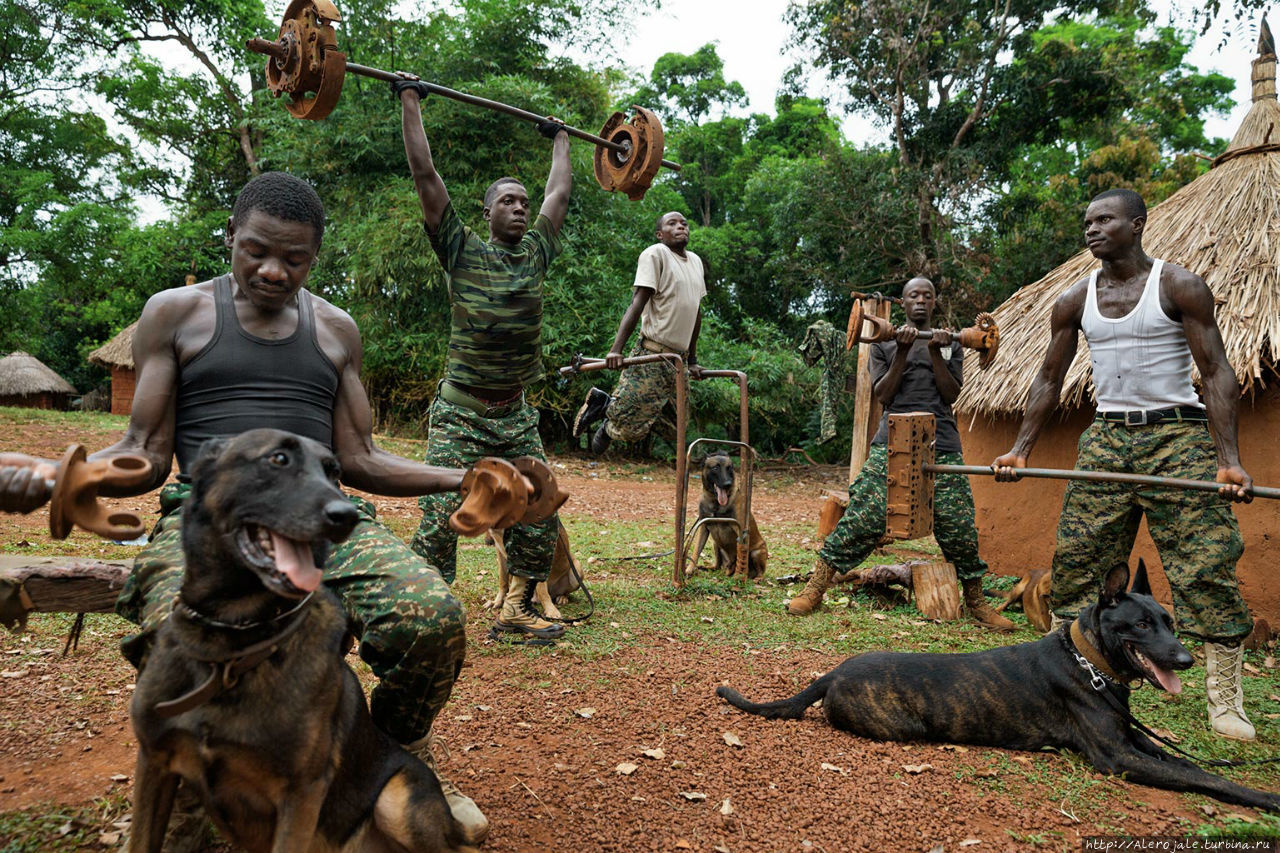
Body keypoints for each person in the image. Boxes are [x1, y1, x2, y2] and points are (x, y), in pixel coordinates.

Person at [0, 171, 490, 842]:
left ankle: (393, 748)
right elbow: (144, 450)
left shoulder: (336, 331)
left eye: (294, 259)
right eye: (256, 249)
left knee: (430, 617)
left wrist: (462, 475)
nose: (272, 269)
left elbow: (362, 459)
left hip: (323, 516)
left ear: (314, 257)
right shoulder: (177, 313)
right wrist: (65, 474)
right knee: (166, 624)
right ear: (229, 235)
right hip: (210, 517)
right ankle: (195, 767)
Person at [992, 188, 1256, 740]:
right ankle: (1070, 681)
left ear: (1136, 225)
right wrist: (1020, 449)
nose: (1091, 229)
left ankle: (1224, 700)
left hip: (1178, 437)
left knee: (1204, 565)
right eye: (1086, 221)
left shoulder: (1179, 285)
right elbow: (1047, 379)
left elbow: (1216, 374)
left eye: (1104, 220)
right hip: (1107, 440)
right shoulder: (1073, 299)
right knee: (1081, 561)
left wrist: (1228, 461)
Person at [393, 76, 572, 644]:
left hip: (515, 412)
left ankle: (516, 607)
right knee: (441, 515)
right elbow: (426, 174)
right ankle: (429, 612)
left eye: (523, 201)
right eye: (508, 201)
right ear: (487, 210)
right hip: (461, 413)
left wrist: (561, 139)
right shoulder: (461, 249)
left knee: (540, 505)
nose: (520, 208)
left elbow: (560, 196)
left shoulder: (537, 254)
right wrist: (410, 100)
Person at [787, 277, 1014, 632]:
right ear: (904, 303)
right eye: (913, 296)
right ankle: (816, 588)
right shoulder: (885, 343)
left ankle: (977, 603)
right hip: (892, 440)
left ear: (934, 302)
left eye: (927, 295)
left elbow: (951, 394)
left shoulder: (951, 342)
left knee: (958, 525)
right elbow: (884, 395)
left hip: (943, 442)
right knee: (864, 515)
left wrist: (937, 351)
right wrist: (904, 350)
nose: (920, 301)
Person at [571, 211, 706, 453]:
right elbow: (637, 303)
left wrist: (693, 360)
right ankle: (605, 408)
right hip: (651, 354)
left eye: (684, 223)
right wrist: (616, 350)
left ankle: (612, 411)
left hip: (678, 361)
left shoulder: (695, 261)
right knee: (628, 423)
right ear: (660, 234)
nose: (680, 227)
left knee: (663, 429)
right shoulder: (656, 254)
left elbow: (695, 313)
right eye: (672, 224)